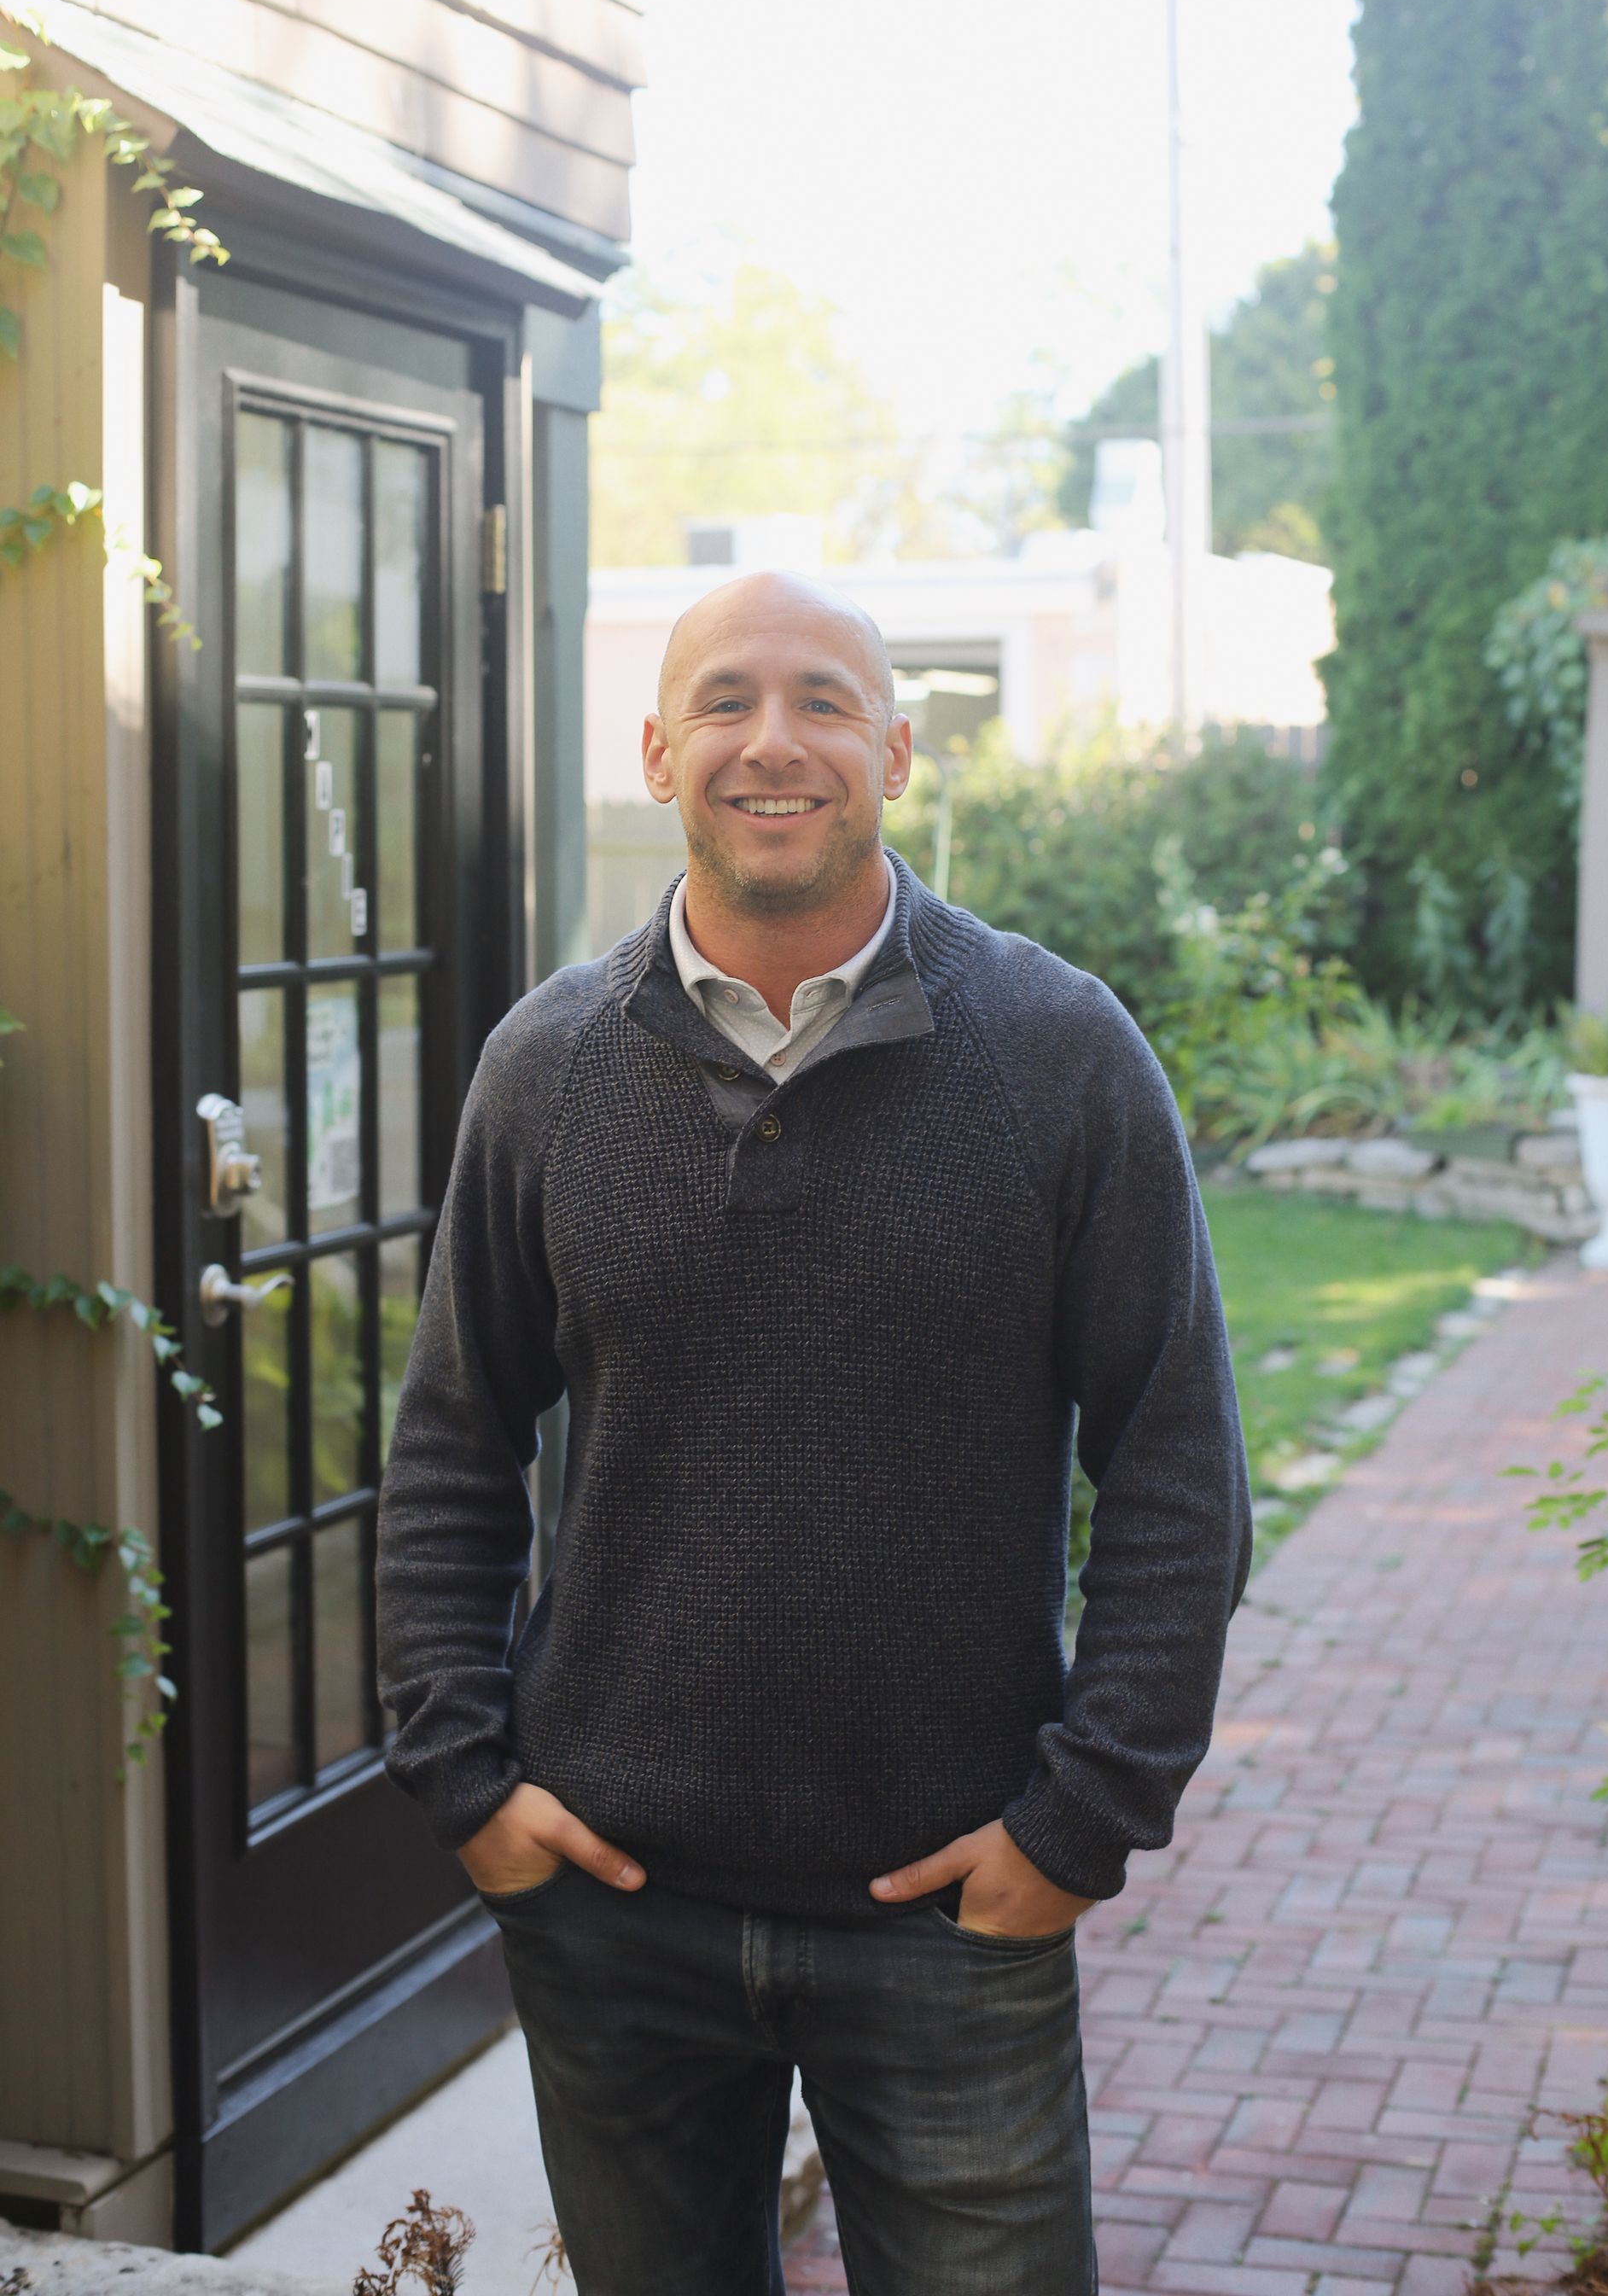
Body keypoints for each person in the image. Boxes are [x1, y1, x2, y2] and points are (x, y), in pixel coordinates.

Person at [376, 570, 1251, 2296]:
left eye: (825, 702)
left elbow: (1175, 1463)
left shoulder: (1062, 1056)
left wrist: (1083, 1822)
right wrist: (465, 1779)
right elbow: (452, 1445)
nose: (772, 742)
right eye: (725, 701)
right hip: (614, 1914)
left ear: (898, 755)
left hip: (950, 1909)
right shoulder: (546, 1069)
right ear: (656, 751)